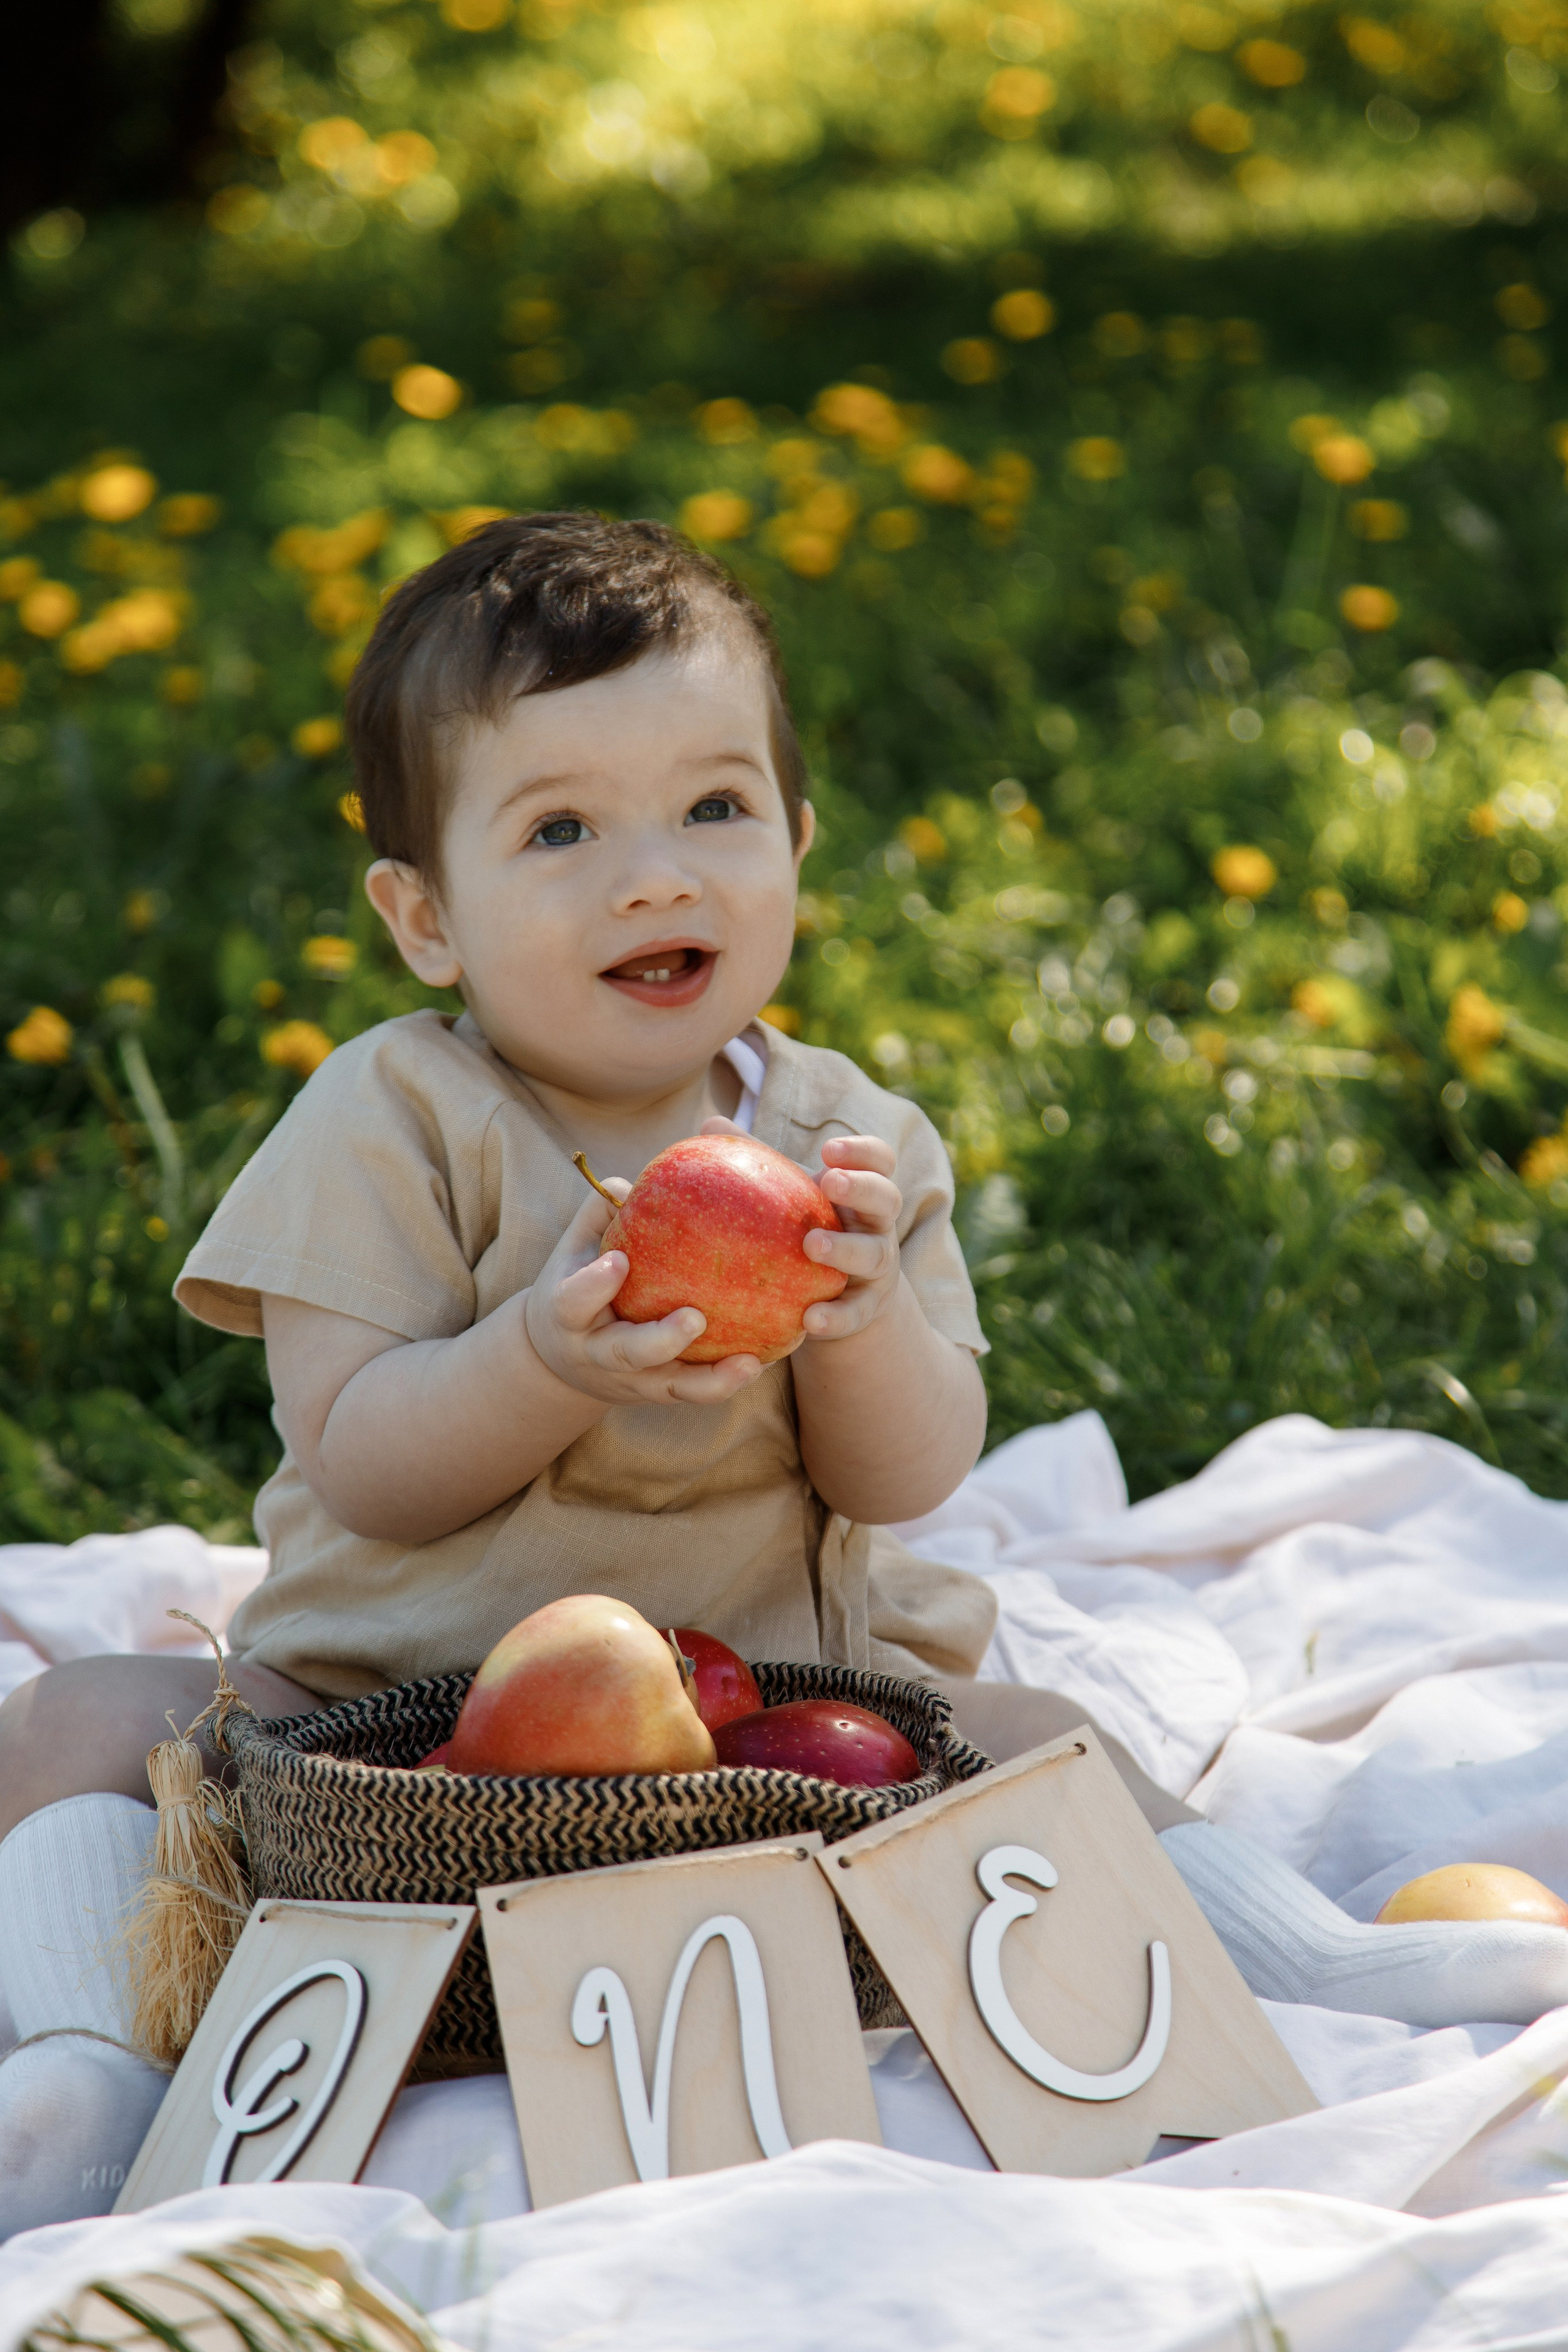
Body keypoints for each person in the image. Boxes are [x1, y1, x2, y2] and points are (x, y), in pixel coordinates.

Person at [1, 513, 1563, 2239]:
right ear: (425, 916)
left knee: (1040, 1741)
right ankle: (87, 2069)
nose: (654, 876)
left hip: (775, 1744)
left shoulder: (843, 1146)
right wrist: (540, 1360)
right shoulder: (390, 1119)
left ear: (799, 847)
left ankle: (1319, 1959)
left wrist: (866, 1317)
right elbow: (360, 1459)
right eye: (563, 829)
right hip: (388, 1743)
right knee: (82, 1719)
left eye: (716, 808)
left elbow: (910, 1480)